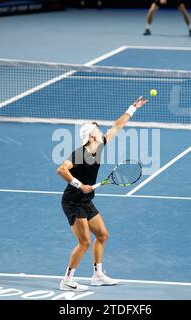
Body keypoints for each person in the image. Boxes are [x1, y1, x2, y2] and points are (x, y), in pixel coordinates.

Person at [56, 96, 148, 291]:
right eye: (96, 129)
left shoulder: (98, 147)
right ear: (90, 135)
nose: (100, 131)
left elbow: (116, 127)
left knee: (102, 235)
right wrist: (79, 185)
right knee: (84, 242)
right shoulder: (79, 154)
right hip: (73, 201)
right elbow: (61, 170)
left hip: (86, 200)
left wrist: (132, 108)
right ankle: (67, 280)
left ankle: (97, 275)